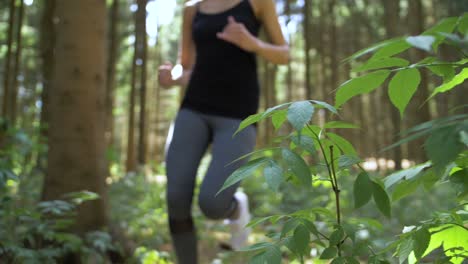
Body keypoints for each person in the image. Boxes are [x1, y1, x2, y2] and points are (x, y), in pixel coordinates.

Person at [158, 0, 288, 263]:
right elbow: (187, 64)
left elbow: (285, 54)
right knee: (176, 199)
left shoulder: (258, 3)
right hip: (193, 108)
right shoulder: (192, 8)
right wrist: (173, 78)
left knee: (213, 204)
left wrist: (253, 44)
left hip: (237, 113)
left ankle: (236, 207)